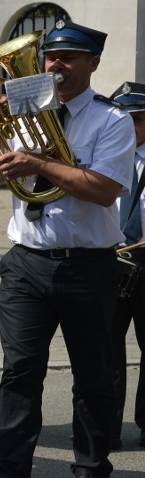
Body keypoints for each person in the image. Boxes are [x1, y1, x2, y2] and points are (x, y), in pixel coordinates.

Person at [0, 19, 132, 478]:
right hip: (27, 262)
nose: (55, 65)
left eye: (68, 58)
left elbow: (104, 190)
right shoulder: (24, 109)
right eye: (50, 57)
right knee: (19, 372)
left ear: (93, 63)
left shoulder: (112, 119)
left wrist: (39, 161)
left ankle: (90, 464)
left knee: (93, 376)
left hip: (88, 266)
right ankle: (8, 468)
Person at [108, 81, 145, 451]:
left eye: (136, 118)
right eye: (124, 118)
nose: (129, 126)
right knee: (105, 351)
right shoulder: (108, 155)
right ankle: (106, 427)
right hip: (110, 261)